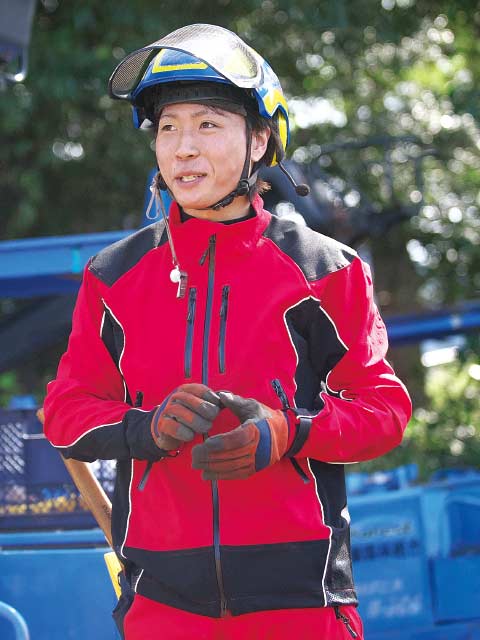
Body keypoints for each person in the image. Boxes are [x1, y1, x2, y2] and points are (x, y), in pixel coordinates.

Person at [43, 23, 412, 640]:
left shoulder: (326, 270)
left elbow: (385, 412)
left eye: (208, 124)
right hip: (161, 608)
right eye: (168, 128)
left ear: (260, 139)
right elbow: (65, 411)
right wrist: (144, 428)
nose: (183, 148)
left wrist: (289, 431)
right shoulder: (113, 276)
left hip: (301, 605)